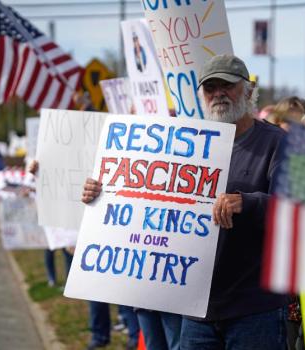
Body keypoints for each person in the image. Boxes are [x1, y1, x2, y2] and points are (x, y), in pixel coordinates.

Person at [82, 54, 288, 349]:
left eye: (227, 85)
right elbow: (143, 195)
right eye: (210, 88)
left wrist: (248, 203)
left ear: (249, 91)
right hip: (194, 312)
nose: (218, 94)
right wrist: (102, 193)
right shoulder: (183, 144)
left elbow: (296, 210)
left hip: (254, 308)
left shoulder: (277, 142)